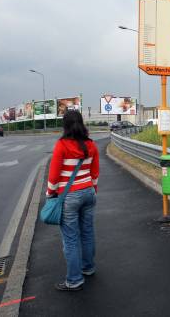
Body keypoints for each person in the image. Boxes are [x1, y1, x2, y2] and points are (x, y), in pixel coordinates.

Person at [46, 110, 99, 291]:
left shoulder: (61, 145)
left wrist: (50, 194)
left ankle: (74, 280)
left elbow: (53, 176)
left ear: (65, 125)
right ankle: (88, 267)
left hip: (69, 197)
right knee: (87, 232)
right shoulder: (91, 144)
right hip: (88, 193)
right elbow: (95, 173)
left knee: (71, 238)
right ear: (82, 123)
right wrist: (93, 190)